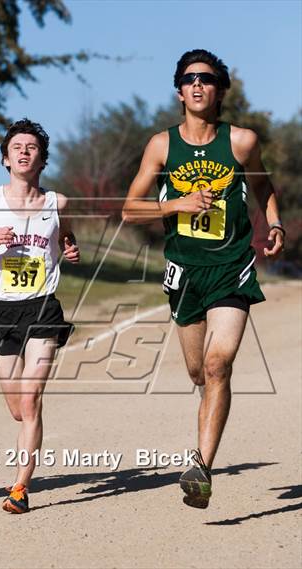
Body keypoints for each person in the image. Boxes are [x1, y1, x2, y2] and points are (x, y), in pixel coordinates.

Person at [122, 49, 284, 508]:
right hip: (184, 272)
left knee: (218, 365)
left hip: (231, 266)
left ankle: (202, 467)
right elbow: (129, 210)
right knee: (197, 370)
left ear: (220, 90)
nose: (198, 85)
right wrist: (178, 203)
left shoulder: (242, 142)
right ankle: (206, 429)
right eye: (190, 79)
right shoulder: (161, 145)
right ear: (179, 91)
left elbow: (264, 187)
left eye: (207, 79)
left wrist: (274, 224)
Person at [0, 118, 80, 514]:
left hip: (43, 306)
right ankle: (29, 435)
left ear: (42, 159)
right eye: (17, 147)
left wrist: (70, 249)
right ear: (6, 159)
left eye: (32, 147)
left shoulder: (57, 203)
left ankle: (19, 488)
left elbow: (67, 236)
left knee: (30, 398)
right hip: (2, 310)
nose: (24, 152)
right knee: (17, 407)